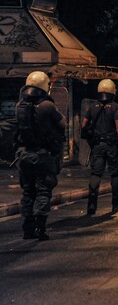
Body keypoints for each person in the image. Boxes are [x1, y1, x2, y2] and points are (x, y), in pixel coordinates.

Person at [14, 71, 65, 240]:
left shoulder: (19, 106)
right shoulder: (47, 106)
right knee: (43, 191)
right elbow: (62, 123)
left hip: (24, 155)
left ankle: (27, 229)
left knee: (28, 192)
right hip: (43, 155)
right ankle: (40, 228)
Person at [81, 79, 118, 214]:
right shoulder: (115, 107)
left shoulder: (92, 106)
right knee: (115, 174)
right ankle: (116, 204)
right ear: (112, 91)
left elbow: (83, 125)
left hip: (97, 145)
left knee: (96, 174)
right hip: (111, 145)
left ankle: (91, 206)